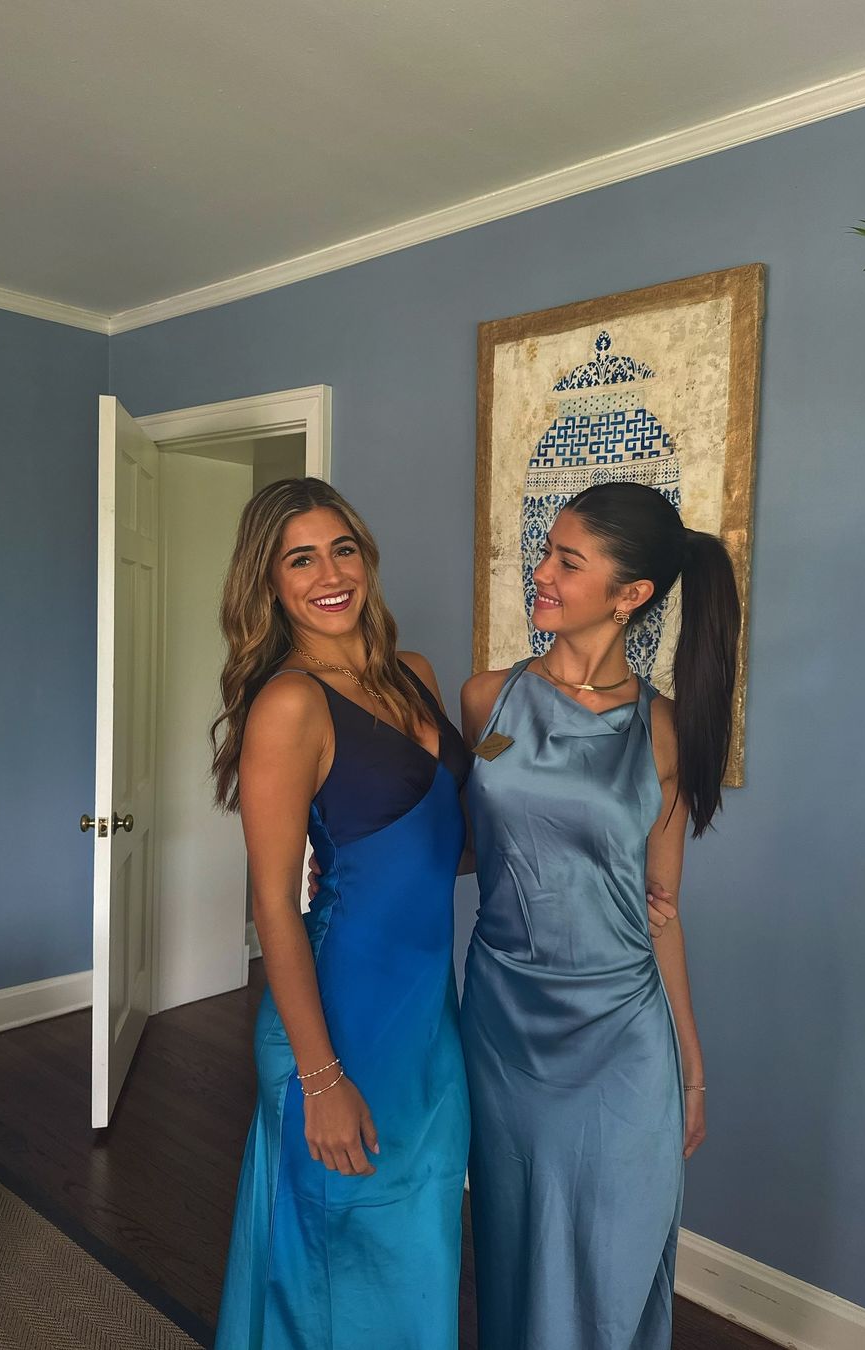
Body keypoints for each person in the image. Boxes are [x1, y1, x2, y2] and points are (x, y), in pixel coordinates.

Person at [460, 481, 740, 1350]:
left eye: (566, 561)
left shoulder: (665, 732)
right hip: (505, 1022)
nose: (539, 572)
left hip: (620, 1031)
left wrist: (691, 1063)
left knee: (610, 1259)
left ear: (631, 595)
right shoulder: (486, 700)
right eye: (546, 551)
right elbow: (470, 843)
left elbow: (661, 912)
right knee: (514, 1240)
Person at [211, 478, 471, 1350]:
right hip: (336, 1021)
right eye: (301, 560)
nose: (330, 575)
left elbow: (446, 843)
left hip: (426, 1015)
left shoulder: (416, 675)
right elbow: (272, 907)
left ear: (367, 558)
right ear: (269, 583)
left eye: (343, 549)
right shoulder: (290, 704)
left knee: (417, 1243)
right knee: (335, 1266)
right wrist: (321, 1080)